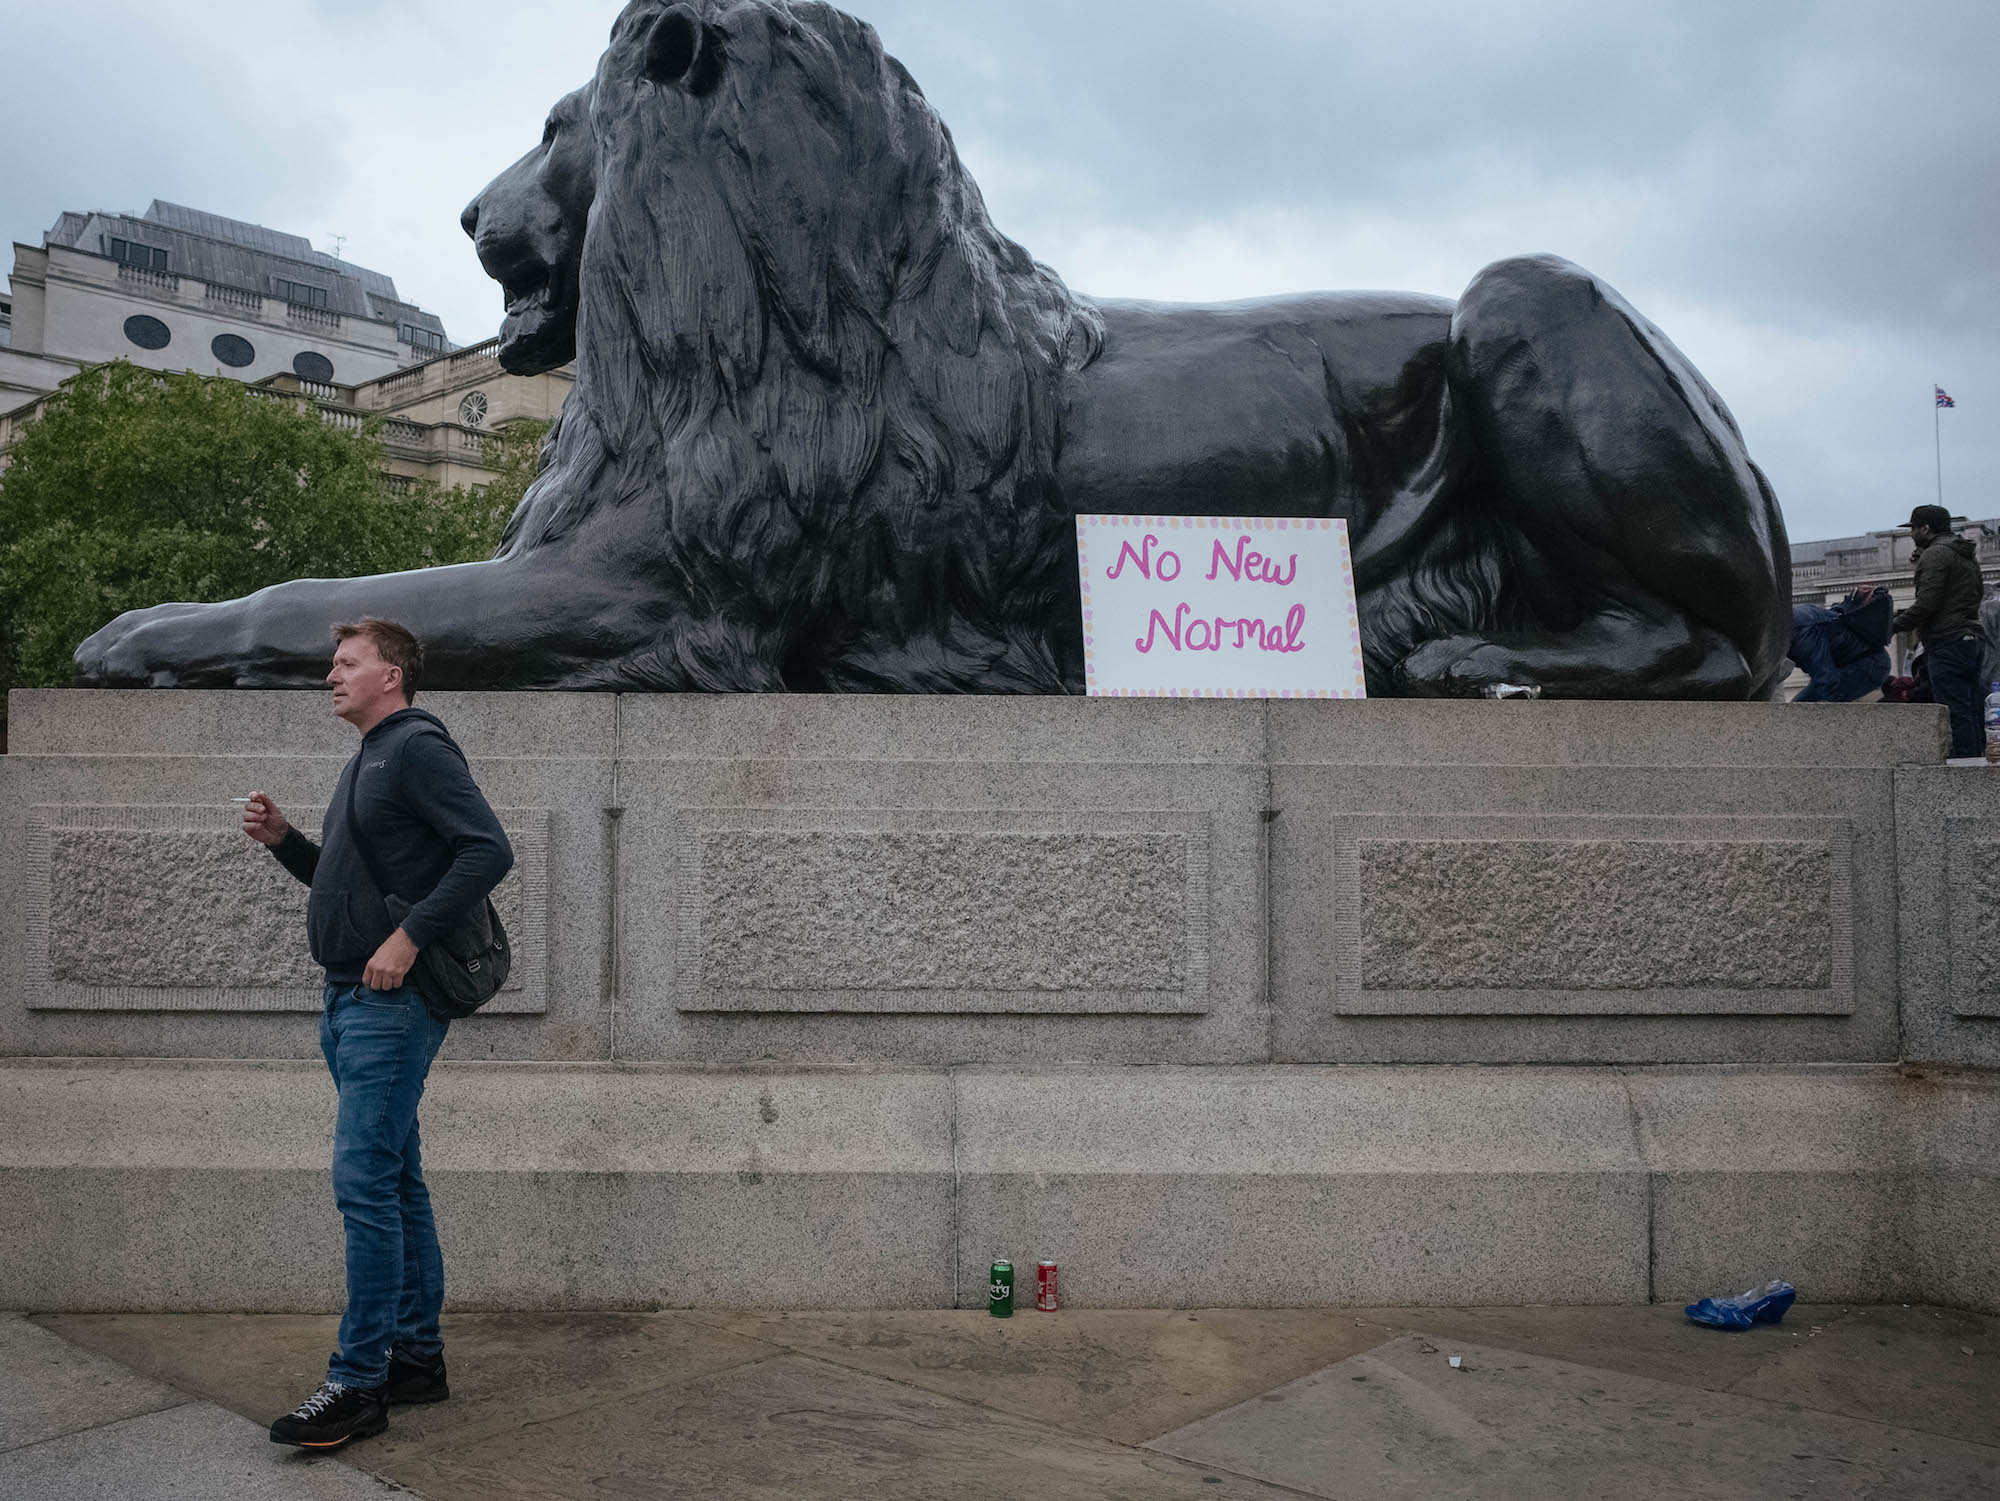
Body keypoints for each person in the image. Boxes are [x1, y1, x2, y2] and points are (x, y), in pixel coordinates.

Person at [241, 619, 513, 1448]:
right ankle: (416, 1359)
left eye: (347, 662)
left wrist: (408, 937)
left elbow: (487, 849)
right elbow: (346, 876)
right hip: (351, 1001)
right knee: (395, 1182)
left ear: (391, 676)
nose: (332, 674)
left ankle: (359, 1382)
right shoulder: (370, 758)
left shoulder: (418, 747)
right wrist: (288, 842)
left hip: (388, 1005)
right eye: (333, 662)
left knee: (365, 1184)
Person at [1890, 505, 1988, 765]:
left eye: (1913, 527)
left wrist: (1894, 625)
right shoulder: (1963, 554)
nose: (1911, 533)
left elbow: (1927, 604)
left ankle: (1963, 766)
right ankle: (1976, 760)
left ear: (1926, 528)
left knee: (1953, 708)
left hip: (1948, 640)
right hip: (1971, 638)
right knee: (1971, 707)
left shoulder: (1935, 555)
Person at [1789, 584, 1894, 703]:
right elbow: (1834, 615)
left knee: (1801, 708)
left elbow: (1826, 678)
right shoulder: (1797, 616)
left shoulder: (1799, 634)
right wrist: (1853, 601)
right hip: (1861, 661)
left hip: (1868, 665)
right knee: (1801, 705)